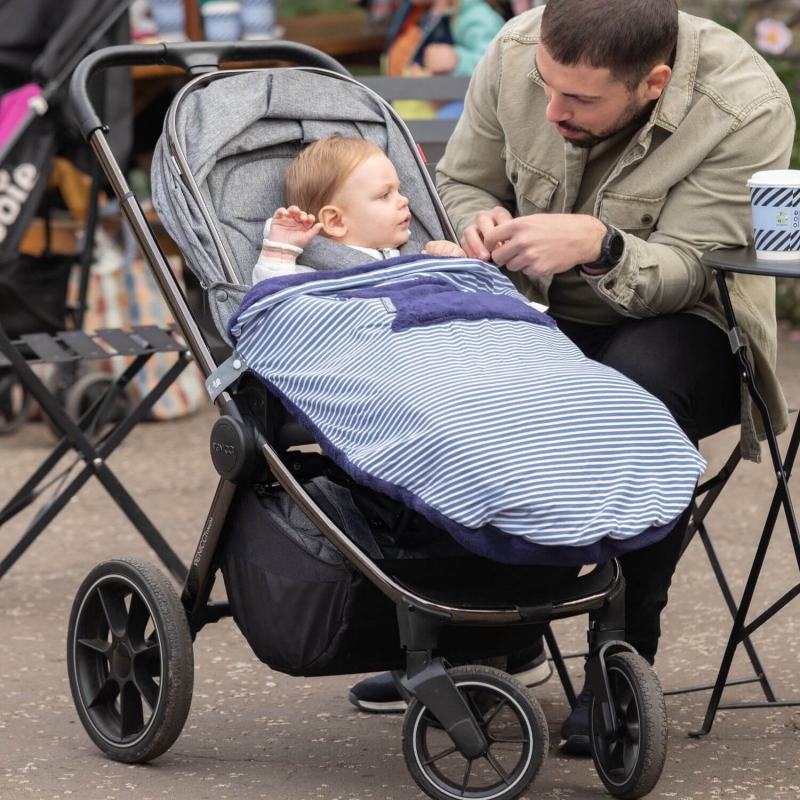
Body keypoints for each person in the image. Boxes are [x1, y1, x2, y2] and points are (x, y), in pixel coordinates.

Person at [349, 0, 796, 755]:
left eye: (580, 100)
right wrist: (479, 220)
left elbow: (691, 268)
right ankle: (481, 636)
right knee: (439, 382)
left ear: (652, 82)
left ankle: (621, 658)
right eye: (546, 86)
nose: (553, 109)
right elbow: (460, 181)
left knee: (632, 401)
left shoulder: (743, 104)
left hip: (691, 323)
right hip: (536, 310)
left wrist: (602, 244)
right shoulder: (518, 48)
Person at [251, 135, 464, 284]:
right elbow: (273, 302)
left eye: (399, 191)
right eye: (384, 195)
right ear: (336, 221)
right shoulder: (314, 272)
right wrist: (280, 251)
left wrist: (453, 260)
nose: (404, 200)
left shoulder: (420, 255)